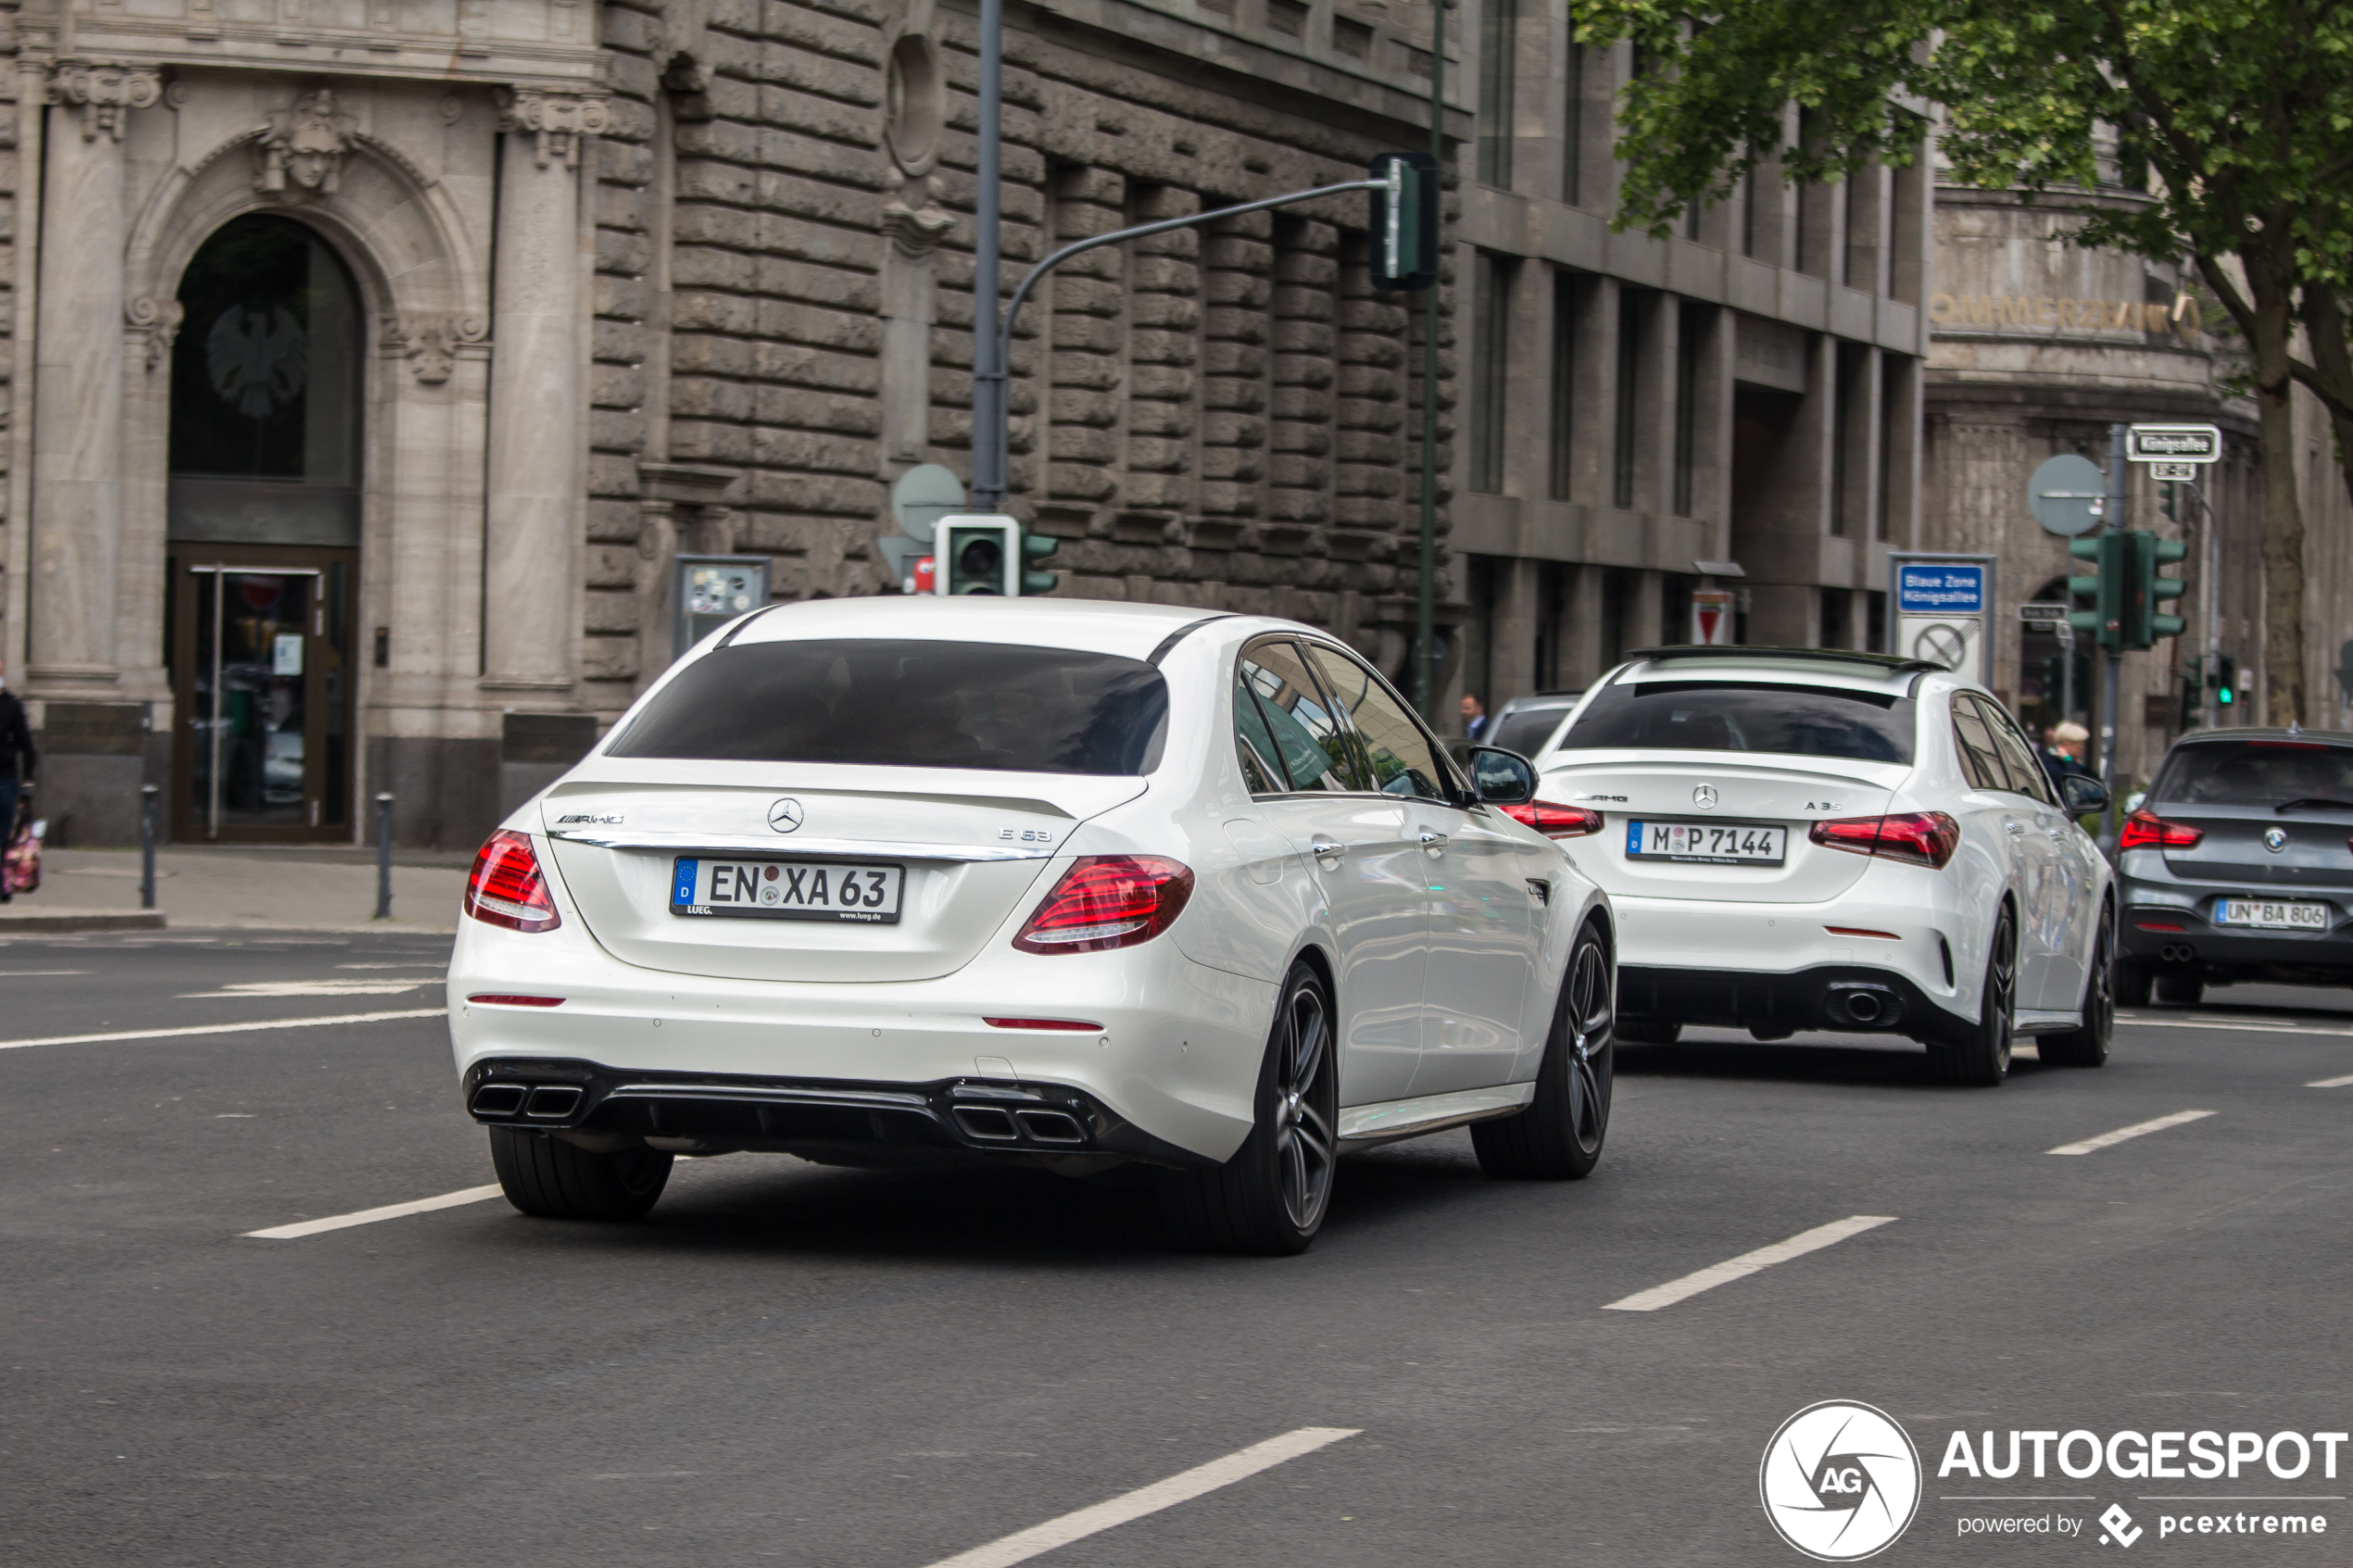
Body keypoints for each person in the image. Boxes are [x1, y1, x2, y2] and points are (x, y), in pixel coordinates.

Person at [0, 663, 34, 904]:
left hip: (5, 779)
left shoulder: (12, 705)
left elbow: (27, 746)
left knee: (3, 834)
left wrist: (28, 783)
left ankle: (3, 881)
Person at [2040, 720, 2094, 794]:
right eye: (2080, 746)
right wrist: (2068, 760)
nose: (2082, 749)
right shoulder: (2049, 764)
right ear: (2067, 744)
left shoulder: (2073, 762)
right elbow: (2073, 782)